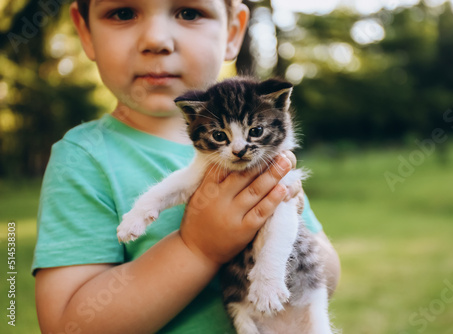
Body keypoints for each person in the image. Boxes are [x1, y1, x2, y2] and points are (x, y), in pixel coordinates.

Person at [32, 0, 341, 333]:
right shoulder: (83, 158)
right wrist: (199, 248)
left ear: (234, 31)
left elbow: (326, 275)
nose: (156, 41)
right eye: (123, 13)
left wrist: (279, 244)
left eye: (190, 13)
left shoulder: (268, 160)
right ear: (85, 32)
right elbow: (66, 326)